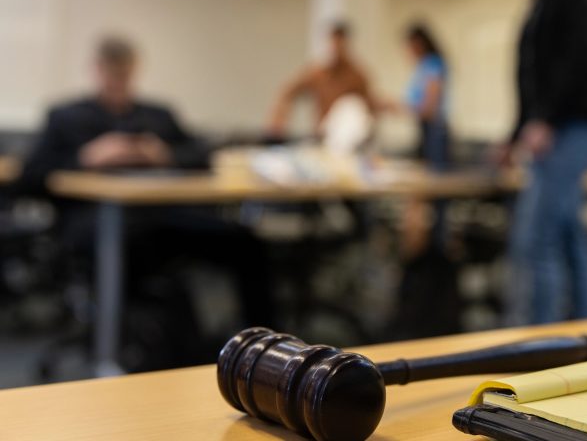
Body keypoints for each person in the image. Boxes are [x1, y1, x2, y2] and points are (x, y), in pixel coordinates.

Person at [19, 37, 273, 366]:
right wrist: (86, 157)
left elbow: (201, 155)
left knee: (245, 242)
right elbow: (30, 176)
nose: (118, 80)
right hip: (97, 222)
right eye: (111, 72)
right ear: (96, 70)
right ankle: (137, 353)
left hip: (164, 217)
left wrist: (165, 154)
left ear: (134, 69)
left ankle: (267, 351)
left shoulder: (157, 115)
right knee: (139, 257)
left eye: (124, 72)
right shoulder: (66, 117)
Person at [503, 0, 587, 325]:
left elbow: (574, 61)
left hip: (572, 127)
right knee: (567, 233)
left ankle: (538, 341)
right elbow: (534, 69)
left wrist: (545, 119)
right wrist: (515, 132)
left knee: (536, 239)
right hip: (560, 125)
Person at [268, 22, 377, 138]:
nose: (335, 48)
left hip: (348, 138)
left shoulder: (357, 75)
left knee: (350, 107)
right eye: (333, 43)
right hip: (321, 134)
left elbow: (367, 104)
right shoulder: (317, 72)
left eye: (339, 44)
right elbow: (288, 91)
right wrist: (280, 114)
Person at [405, 23, 449, 170]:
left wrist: (402, 108)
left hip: (434, 130)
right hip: (424, 128)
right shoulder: (422, 67)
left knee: (433, 178)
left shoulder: (433, 65)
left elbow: (429, 107)